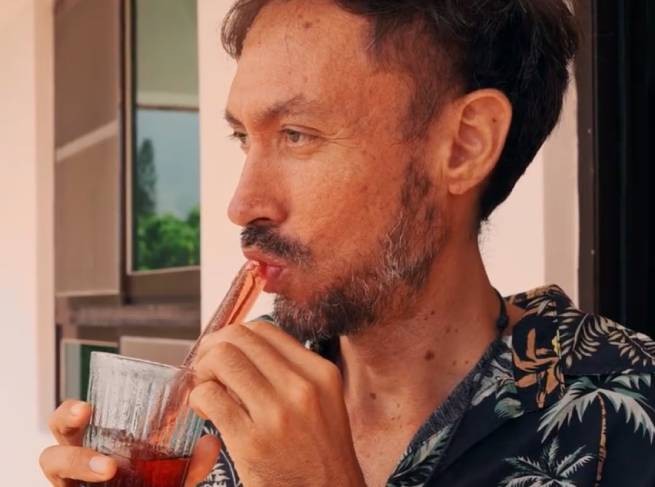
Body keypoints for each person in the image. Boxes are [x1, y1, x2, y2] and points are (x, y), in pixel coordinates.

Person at [40, 1, 655, 486]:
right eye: (244, 139)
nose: (243, 205)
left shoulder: (629, 417)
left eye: (297, 135)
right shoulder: (215, 410)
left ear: (465, 145)